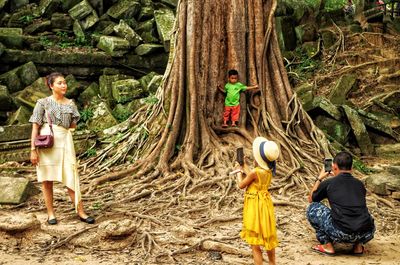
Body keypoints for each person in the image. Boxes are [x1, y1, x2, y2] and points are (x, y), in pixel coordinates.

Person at [29, 72, 95, 225]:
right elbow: (35, 127)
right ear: (51, 86)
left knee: (71, 176)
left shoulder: (71, 104)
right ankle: (51, 214)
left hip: (65, 141)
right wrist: (33, 149)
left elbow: (73, 125)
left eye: (65, 82)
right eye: (59, 83)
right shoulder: (42, 103)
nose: (64, 85)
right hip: (47, 143)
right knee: (47, 180)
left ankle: (81, 211)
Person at [306, 151, 375, 256]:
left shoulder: (329, 183)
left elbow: (311, 199)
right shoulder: (359, 184)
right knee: (362, 213)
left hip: (341, 233)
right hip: (365, 233)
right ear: (351, 168)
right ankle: (358, 247)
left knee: (313, 208)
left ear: (334, 167)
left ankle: (327, 246)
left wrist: (319, 178)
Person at [236, 137, 280, 265]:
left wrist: (239, 172)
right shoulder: (268, 170)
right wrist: (245, 167)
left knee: (255, 244)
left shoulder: (255, 172)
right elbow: (255, 178)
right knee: (268, 238)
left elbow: (241, 185)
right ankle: (272, 263)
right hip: (265, 206)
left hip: (254, 207)